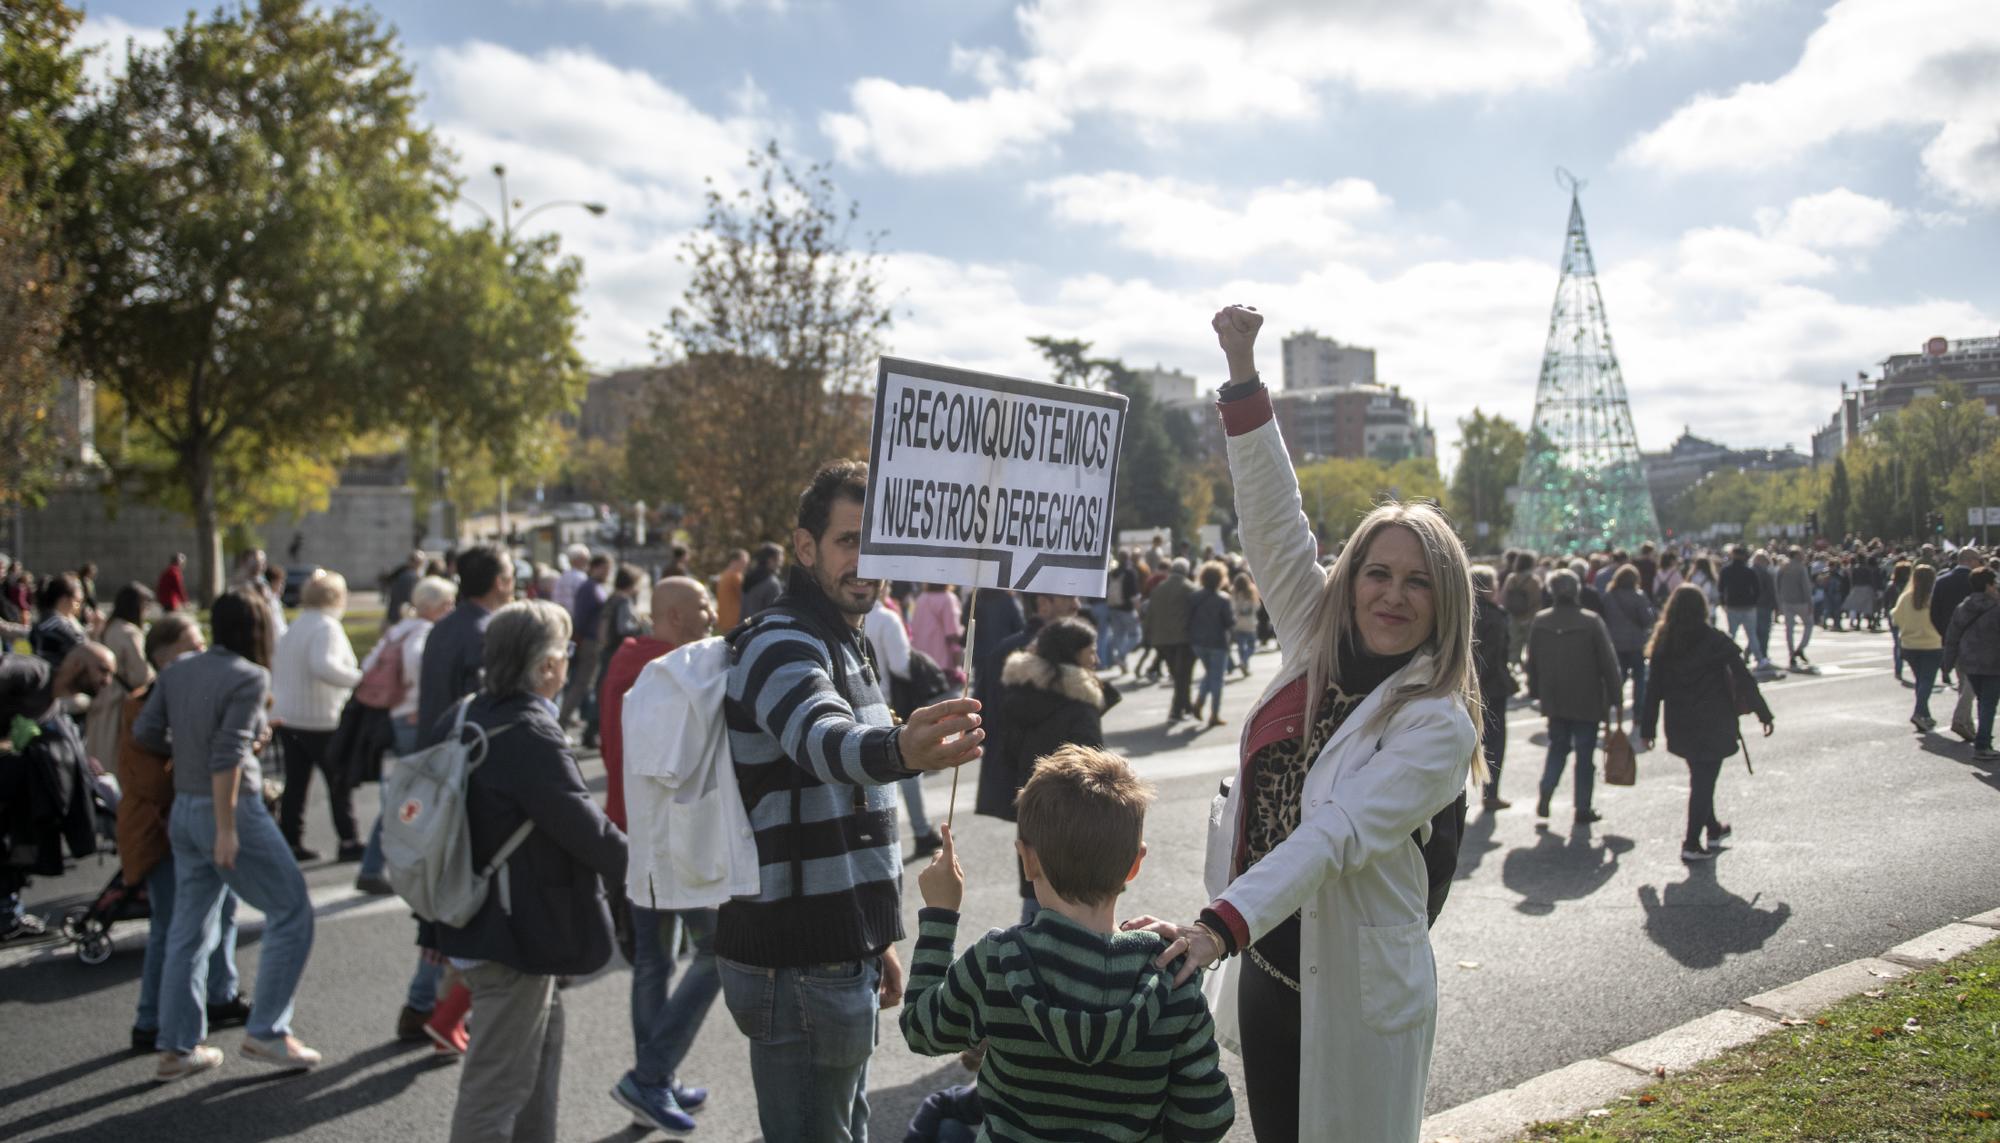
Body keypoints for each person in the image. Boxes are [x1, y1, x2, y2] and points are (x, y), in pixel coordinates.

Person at [1127, 306, 1481, 1143]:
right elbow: (1276, 521)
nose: (1392, 595)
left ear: (1446, 602)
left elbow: (1334, 834)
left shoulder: (1438, 722)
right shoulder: (1312, 642)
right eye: (1378, 572)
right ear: (1352, 576)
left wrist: (1217, 924)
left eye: (1418, 582)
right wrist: (1244, 374)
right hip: (1267, 965)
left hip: (1355, 982)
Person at [719, 460, 984, 1141]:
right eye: (848, 541)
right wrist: (899, 750)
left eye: (879, 544)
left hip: (834, 953)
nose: (866, 562)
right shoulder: (781, 640)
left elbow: (845, 814)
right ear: (805, 548)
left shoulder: (847, 639)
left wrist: (872, 940)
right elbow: (820, 737)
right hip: (795, 959)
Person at [900, 748, 1235, 1142]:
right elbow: (1207, 1116)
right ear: (1135, 863)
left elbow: (922, 1030)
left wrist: (940, 914)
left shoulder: (996, 962)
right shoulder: (1173, 974)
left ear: (1028, 861)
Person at [436, 601, 628, 1143]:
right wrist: (669, 877)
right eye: (565, 652)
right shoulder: (530, 733)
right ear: (546, 667)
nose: (568, 663)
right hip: (513, 930)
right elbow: (588, 832)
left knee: (536, 1060)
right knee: (495, 1086)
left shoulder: (467, 714)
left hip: (476, 912)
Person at [133, 588, 322, 1082]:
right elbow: (228, 755)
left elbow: (148, 734)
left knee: (189, 929)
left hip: (186, 808)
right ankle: (268, 1031)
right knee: (292, 910)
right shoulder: (249, 676)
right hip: (229, 808)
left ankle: (176, 1047)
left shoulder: (178, 671)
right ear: (257, 629)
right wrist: (227, 827)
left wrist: (191, 748)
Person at [603, 578, 721, 1134]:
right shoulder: (668, 671)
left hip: (638, 828)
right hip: (665, 832)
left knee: (654, 962)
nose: (713, 612)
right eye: (702, 605)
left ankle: (655, 1081)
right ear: (673, 616)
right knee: (718, 951)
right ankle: (651, 1075)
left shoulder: (628, 660)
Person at [121, 614, 250, 1054]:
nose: (201, 656)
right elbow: (148, 779)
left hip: (188, 821)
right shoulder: (144, 702)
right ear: (162, 657)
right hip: (162, 828)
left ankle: (218, 995)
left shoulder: (192, 693)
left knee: (222, 909)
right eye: (190, 647)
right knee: (173, 927)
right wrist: (193, 755)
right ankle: (152, 1020)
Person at [991, 617, 1121, 921]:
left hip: (1033, 811)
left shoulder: (1021, 693)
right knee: (1083, 908)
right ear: (1073, 654)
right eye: (1091, 652)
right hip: (1078, 820)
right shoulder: (1079, 706)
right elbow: (1093, 769)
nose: (1097, 659)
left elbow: (1008, 754)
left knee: (1037, 899)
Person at [1640, 584, 1774, 861]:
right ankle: (1691, 841)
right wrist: (1763, 713)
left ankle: (1712, 827)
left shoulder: (1664, 643)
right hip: (1714, 717)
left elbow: (1652, 690)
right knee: (1704, 778)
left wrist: (1647, 728)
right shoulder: (1715, 640)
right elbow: (1743, 679)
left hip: (1680, 719)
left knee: (1700, 775)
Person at [0, 644, 115, 940]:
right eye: (103, 670)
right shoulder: (34, 672)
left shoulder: (52, 706)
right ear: (77, 663)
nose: (107, 681)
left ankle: (7, 916)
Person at [353, 574, 459, 895]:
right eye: (448, 604)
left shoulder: (398, 629)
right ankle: (378, 865)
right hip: (414, 718)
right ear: (437, 607)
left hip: (396, 716)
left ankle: (382, 864)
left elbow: (369, 664)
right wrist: (419, 698)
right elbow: (415, 663)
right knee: (415, 795)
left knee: (409, 793)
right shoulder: (424, 632)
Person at [270, 571, 364, 863]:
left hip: (290, 715)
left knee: (297, 782)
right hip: (320, 717)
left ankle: (291, 838)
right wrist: (360, 680)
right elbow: (323, 666)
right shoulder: (326, 627)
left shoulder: (296, 626)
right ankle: (348, 839)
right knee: (338, 781)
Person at [1525, 569, 1622, 824]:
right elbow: (1608, 662)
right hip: (1586, 696)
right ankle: (1582, 806)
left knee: (1557, 747)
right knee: (1585, 754)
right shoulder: (1590, 621)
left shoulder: (1541, 620)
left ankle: (1547, 788)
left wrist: (1536, 690)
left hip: (1554, 696)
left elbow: (1532, 661)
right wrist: (1616, 696)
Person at [865, 586, 946, 860]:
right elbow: (900, 665)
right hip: (887, 703)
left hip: (853, 704)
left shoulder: (841, 617)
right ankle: (922, 831)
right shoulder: (886, 618)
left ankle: (872, 835)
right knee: (907, 767)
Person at [84, 582, 154, 769]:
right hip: (120, 703)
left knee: (98, 753)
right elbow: (141, 674)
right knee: (117, 758)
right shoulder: (130, 633)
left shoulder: (105, 628)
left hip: (100, 696)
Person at [1942, 567, 2000, 763]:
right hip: (1992, 663)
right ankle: (1983, 745)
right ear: (1988, 586)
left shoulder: (1963, 607)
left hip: (1968, 662)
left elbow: (1952, 636)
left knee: (1983, 701)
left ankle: (1984, 743)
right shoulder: (1996, 607)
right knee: (1988, 705)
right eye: (1994, 584)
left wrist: (1947, 665)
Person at [1470, 565, 1515, 811]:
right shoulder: (1495, 616)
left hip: (1462, 685)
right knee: (1495, 742)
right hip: (1491, 687)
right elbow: (1493, 654)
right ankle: (1491, 792)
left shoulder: (1461, 610)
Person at [1600, 565, 1657, 737]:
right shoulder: (1638, 596)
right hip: (1636, 643)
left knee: (1618, 678)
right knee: (1639, 679)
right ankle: (1638, 714)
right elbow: (1647, 620)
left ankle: (1609, 708)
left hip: (1616, 643)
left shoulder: (1609, 597)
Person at [558, 553, 612, 737]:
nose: (607, 573)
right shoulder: (588, 588)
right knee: (580, 684)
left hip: (594, 640)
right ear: (594, 567)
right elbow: (581, 617)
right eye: (605, 568)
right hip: (588, 641)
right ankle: (562, 723)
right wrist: (579, 639)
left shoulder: (595, 587)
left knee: (587, 685)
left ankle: (588, 727)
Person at [1892, 564, 1944, 733]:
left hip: (1909, 644)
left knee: (1921, 681)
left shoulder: (1906, 597)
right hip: (1932, 644)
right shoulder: (1935, 597)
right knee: (1927, 681)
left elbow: (1895, 618)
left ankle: (1926, 715)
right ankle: (1919, 712)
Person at [1189, 561, 1236, 728]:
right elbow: (1229, 623)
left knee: (1209, 673)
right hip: (1218, 642)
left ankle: (1200, 701)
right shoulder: (1223, 599)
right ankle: (1214, 714)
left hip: (1198, 642)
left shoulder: (1194, 597)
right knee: (1217, 678)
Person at [1149, 559, 1196, 722]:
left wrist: (1148, 638)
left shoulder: (1158, 589)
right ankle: (1177, 711)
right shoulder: (1190, 588)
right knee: (1183, 677)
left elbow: (1150, 615)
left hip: (1162, 640)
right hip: (1183, 638)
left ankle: (1187, 707)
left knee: (1178, 677)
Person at [28, 572, 87, 670]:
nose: (79, 607)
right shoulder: (55, 625)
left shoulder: (57, 621)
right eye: (77, 602)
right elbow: (84, 650)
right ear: (64, 599)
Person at [909, 583, 965, 682]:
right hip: (941, 661)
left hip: (920, 660)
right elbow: (952, 632)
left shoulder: (921, 598)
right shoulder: (948, 599)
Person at [1099, 549, 1142, 673]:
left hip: (1113, 608)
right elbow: (1134, 596)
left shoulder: (1112, 572)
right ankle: (1120, 656)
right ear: (1128, 558)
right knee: (1136, 636)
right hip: (1127, 609)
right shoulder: (1130, 572)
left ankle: (1122, 662)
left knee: (1119, 636)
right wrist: (1139, 611)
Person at [1776, 546, 1814, 670]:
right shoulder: (1800, 568)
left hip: (1786, 601)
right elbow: (1806, 587)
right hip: (1801, 601)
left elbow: (1777, 583)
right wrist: (1810, 603)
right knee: (1808, 625)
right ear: (1797, 555)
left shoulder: (1783, 567)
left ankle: (1791, 652)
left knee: (1789, 629)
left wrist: (1779, 600)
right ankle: (1800, 648)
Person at [1718, 546, 1760, 661]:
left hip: (1732, 605)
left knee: (1732, 634)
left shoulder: (1726, 570)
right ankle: (1759, 658)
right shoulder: (1749, 571)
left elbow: (1721, 589)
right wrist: (1753, 601)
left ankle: (1730, 659)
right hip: (1748, 605)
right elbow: (1757, 589)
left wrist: (1723, 603)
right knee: (1752, 635)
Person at [739, 541, 785, 619]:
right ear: (770, 560)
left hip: (745, 628)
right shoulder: (772, 583)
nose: (781, 564)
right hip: (763, 629)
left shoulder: (749, 578)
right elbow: (776, 613)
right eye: (779, 560)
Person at [382, 550, 424, 631]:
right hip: (401, 618)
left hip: (393, 616)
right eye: (419, 562)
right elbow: (411, 599)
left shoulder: (401, 573)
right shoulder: (411, 577)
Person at [1231, 570, 1261, 678]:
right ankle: (1244, 662)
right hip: (1250, 624)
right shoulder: (1252, 592)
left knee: (1241, 647)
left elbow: (1232, 608)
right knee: (1251, 647)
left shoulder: (1234, 594)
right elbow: (1257, 607)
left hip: (1238, 624)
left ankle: (1244, 665)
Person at [714, 548, 749, 632]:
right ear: (734, 561)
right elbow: (743, 597)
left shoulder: (724, 574)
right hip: (734, 620)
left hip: (723, 619)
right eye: (743, 562)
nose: (745, 565)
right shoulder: (735, 576)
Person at [552, 544, 590, 615]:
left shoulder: (563, 576)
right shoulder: (581, 577)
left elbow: (555, 597)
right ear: (575, 560)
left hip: (562, 614)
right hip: (576, 615)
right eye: (584, 559)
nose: (586, 562)